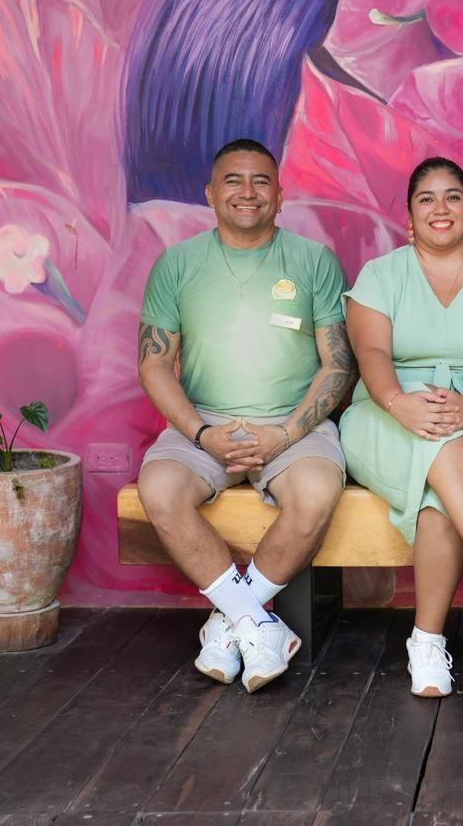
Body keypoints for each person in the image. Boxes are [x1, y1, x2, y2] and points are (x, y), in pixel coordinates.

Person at [137, 138, 356, 693]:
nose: (248, 191)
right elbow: (155, 364)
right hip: (203, 421)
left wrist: (285, 432)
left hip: (293, 421)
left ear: (280, 195)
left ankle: (233, 621)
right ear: (210, 194)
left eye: (261, 180)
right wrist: (202, 433)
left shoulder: (313, 260)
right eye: (233, 180)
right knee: (160, 489)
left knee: (314, 494)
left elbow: (339, 364)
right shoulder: (177, 263)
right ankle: (259, 624)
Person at [340, 157, 463, 698]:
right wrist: (399, 401)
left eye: (453, 197)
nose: (440, 208)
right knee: (438, 443)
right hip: (383, 417)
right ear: (409, 217)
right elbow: (371, 351)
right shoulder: (380, 275)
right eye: (426, 198)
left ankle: (425, 643)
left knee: (438, 500)